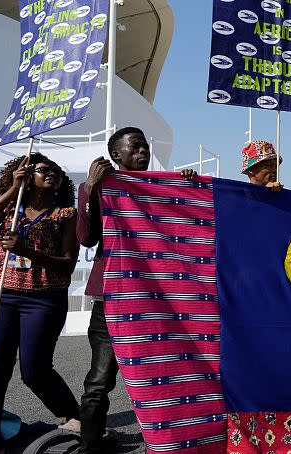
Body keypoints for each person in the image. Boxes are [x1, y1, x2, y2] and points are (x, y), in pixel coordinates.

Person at [75, 127, 196, 453]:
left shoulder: (162, 186)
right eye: (135, 146)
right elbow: (86, 238)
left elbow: (184, 225)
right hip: (112, 296)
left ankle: (173, 438)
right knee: (100, 379)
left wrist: (188, 186)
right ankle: (90, 444)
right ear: (117, 155)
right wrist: (90, 188)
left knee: (168, 370)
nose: (143, 151)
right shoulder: (98, 188)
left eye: (145, 145)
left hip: (158, 297)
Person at [0, 153, 80, 453]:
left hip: (43, 298)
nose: (51, 173)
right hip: (0, 293)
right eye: (43, 170)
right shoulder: (9, 209)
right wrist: (14, 190)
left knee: (35, 370)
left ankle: (78, 417)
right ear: (27, 175)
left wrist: (26, 250)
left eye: (55, 170)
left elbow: (67, 264)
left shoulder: (66, 214)